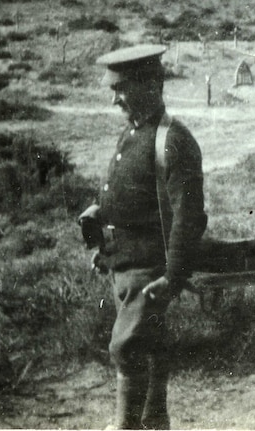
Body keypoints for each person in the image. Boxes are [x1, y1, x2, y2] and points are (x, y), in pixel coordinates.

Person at [78, 44, 207, 429]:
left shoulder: (172, 139)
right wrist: (103, 230)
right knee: (150, 348)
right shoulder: (133, 134)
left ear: (151, 85)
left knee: (127, 346)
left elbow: (188, 216)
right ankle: (154, 423)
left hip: (150, 267)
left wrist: (173, 276)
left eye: (122, 88)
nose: (115, 98)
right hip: (125, 261)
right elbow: (130, 194)